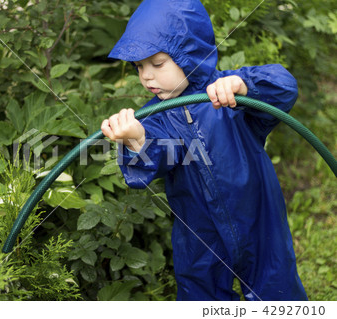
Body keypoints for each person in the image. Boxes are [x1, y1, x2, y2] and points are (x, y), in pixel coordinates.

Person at [101, 0, 307, 301]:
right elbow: (154, 156)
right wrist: (135, 139)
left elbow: (284, 88)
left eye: (157, 63)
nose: (146, 76)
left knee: (274, 282)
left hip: (258, 213)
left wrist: (246, 86)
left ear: (190, 53)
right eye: (139, 66)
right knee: (200, 291)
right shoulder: (154, 116)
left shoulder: (227, 92)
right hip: (198, 229)